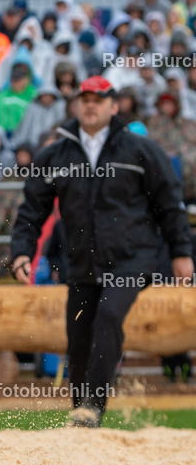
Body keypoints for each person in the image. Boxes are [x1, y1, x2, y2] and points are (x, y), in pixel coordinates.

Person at [11, 76, 193, 427]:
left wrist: (181, 252)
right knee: (78, 337)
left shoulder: (139, 149)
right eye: (85, 99)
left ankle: (92, 406)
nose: (91, 105)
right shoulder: (56, 154)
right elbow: (32, 209)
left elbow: (170, 204)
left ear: (114, 106)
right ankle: (82, 415)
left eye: (99, 99)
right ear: (78, 105)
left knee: (109, 315)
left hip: (132, 258)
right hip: (81, 262)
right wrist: (21, 252)